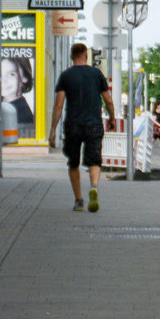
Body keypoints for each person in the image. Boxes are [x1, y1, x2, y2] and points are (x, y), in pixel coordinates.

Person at [47, 42, 117, 213]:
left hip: (73, 125)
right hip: (93, 124)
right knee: (94, 161)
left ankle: (79, 201)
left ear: (72, 56)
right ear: (86, 55)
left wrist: (53, 130)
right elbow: (108, 99)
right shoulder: (96, 74)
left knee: (73, 163)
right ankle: (93, 186)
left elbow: (58, 105)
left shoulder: (65, 76)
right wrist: (112, 118)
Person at [1, 56, 35, 139]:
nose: (2, 80)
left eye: (11, 74)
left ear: (25, 78)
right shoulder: (2, 106)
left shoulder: (22, 114)